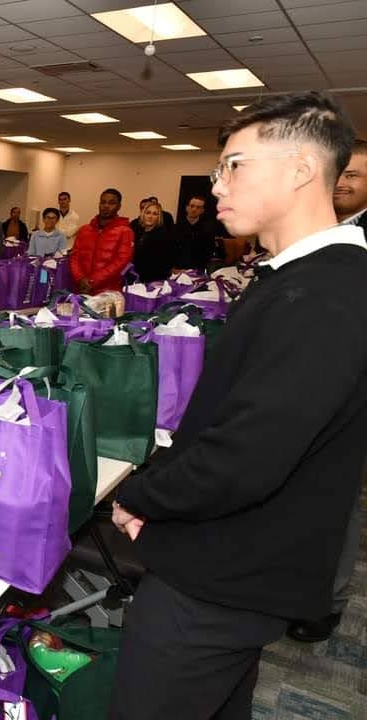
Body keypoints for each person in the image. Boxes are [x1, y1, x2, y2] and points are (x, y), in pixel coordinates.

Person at [109, 91, 367, 719]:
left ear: (301, 169)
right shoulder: (296, 277)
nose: (216, 184)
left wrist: (140, 495)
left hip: (221, 580)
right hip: (233, 560)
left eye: (234, 165)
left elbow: (245, 457)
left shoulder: (326, 293)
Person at [284, 139, 367, 644]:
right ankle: (296, 586)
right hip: (310, 379)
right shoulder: (322, 228)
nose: (342, 181)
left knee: (337, 495)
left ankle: (325, 603)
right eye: (340, 171)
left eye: (354, 174)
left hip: (349, 388)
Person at [68, 188, 133, 293]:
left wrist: (92, 281)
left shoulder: (125, 232)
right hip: (81, 288)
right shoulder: (84, 230)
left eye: (111, 203)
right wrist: (80, 278)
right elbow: (74, 257)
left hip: (108, 292)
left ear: (119, 206)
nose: (106, 206)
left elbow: (120, 262)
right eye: (103, 202)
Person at [171, 195, 225, 272]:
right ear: (187, 208)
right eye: (192, 206)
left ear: (202, 211)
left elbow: (208, 253)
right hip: (177, 270)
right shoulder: (175, 228)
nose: (194, 209)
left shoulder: (208, 231)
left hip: (198, 271)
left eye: (198, 207)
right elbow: (170, 251)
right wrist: (174, 269)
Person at [131, 200, 175, 283]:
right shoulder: (138, 231)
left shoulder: (163, 236)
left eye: (155, 214)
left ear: (159, 217)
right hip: (136, 278)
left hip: (153, 281)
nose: (150, 216)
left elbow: (163, 264)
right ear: (143, 214)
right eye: (148, 213)